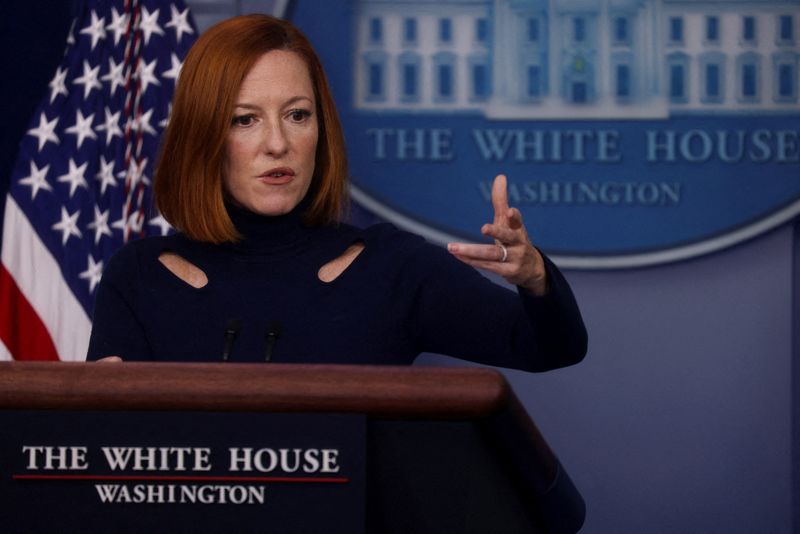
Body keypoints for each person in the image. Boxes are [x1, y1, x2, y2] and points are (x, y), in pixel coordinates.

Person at [87, 14, 587, 371]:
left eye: (297, 115)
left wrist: (536, 278)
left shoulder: (393, 267)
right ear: (203, 137)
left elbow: (548, 348)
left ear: (320, 129)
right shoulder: (137, 277)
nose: (278, 144)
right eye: (245, 120)